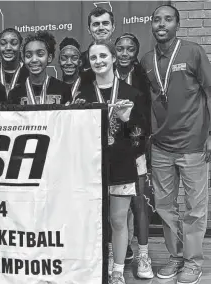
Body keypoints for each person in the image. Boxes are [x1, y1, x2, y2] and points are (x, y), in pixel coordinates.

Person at [141, 5, 211, 284]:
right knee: (165, 206)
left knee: (194, 207)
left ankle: (193, 262)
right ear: (152, 25)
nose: (162, 24)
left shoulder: (193, 51)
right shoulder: (146, 60)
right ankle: (176, 256)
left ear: (177, 25)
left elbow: (209, 90)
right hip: (161, 145)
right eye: (156, 19)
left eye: (167, 19)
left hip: (193, 143)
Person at [75, 40, 146, 284]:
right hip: (92, 167)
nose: (99, 61)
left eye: (103, 56)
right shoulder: (83, 96)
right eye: (93, 58)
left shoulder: (130, 93)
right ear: (89, 62)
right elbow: (75, 136)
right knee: (95, 219)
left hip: (122, 164)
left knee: (118, 219)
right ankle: (100, 265)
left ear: (114, 58)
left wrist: (126, 122)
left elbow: (140, 136)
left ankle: (117, 271)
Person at [115, 32, 153, 279]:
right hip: (110, 150)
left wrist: (140, 143)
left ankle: (144, 254)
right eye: (120, 48)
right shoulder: (103, 75)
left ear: (136, 53)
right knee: (115, 208)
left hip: (136, 147)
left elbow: (148, 112)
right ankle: (116, 252)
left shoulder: (142, 78)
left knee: (139, 203)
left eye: (130, 49)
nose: (125, 53)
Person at [8, 31, 72, 105]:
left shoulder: (63, 89)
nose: (34, 60)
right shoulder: (15, 94)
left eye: (40, 54)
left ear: (49, 58)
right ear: (23, 59)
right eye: (28, 55)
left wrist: (79, 108)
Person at [0, 28, 29, 97]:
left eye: (14, 43)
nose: (8, 48)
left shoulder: (30, 74)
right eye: (3, 43)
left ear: (21, 47)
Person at [80, 7, 116, 87]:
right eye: (96, 24)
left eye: (105, 23)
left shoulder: (124, 57)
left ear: (113, 27)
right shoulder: (81, 61)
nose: (101, 28)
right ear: (89, 30)